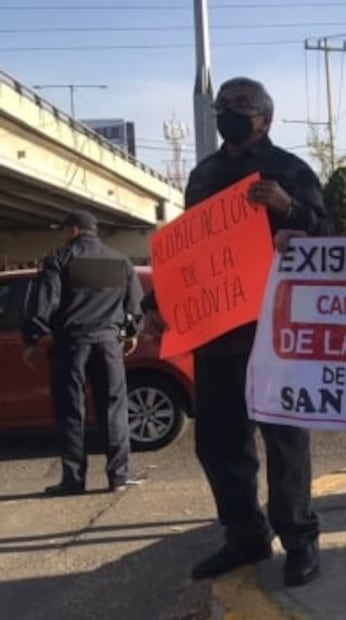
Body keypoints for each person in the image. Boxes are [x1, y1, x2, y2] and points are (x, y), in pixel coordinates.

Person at [143, 77, 328, 587]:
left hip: (275, 332)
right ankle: (245, 536)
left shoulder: (290, 170)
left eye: (241, 107)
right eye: (223, 106)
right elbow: (186, 252)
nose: (229, 112)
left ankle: (299, 540)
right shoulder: (202, 176)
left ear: (265, 118)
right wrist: (157, 301)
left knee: (285, 442)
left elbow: (328, 237)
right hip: (216, 334)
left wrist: (289, 209)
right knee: (220, 442)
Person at [21, 209, 143, 495]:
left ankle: (73, 479)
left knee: (70, 411)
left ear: (74, 230)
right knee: (113, 408)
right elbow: (134, 305)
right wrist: (130, 334)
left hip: (72, 344)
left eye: (64, 230)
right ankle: (119, 476)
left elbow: (44, 304)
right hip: (108, 344)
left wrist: (31, 339)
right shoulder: (120, 260)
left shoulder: (60, 259)